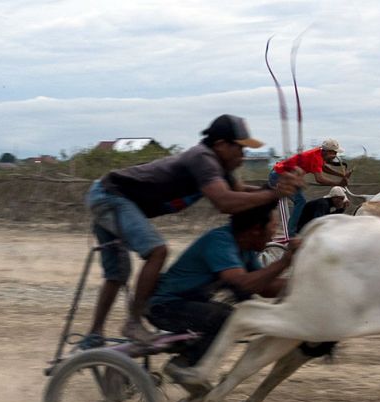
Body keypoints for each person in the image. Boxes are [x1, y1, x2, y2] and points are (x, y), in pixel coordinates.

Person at [80, 114, 303, 349]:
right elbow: (225, 202)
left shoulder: (219, 168)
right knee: (157, 251)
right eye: (239, 149)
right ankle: (134, 322)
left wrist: (277, 188)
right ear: (221, 145)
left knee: (116, 274)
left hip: (114, 197)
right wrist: (274, 194)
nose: (243, 156)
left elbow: (243, 194)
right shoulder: (203, 159)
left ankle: (95, 335)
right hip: (110, 195)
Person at [145, 203, 296, 392]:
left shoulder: (245, 249)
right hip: (165, 307)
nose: (275, 233)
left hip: (187, 305)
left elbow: (265, 287)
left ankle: (190, 364)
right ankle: (183, 365)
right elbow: (243, 283)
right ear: (256, 229)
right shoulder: (221, 241)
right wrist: (284, 261)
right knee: (229, 317)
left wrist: (302, 284)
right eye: (273, 227)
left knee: (234, 313)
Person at [269, 139, 350, 235]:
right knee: (300, 201)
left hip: (285, 175)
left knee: (300, 201)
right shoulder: (316, 158)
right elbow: (319, 179)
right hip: (279, 176)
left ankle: (293, 229)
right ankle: (291, 233)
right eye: (335, 153)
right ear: (328, 152)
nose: (335, 156)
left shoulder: (318, 153)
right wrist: (339, 183)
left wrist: (341, 175)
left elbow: (323, 168)